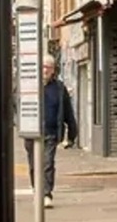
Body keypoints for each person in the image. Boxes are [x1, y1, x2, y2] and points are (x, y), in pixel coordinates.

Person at [23, 54, 77, 208]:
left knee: (47, 163)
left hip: (50, 133)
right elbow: (15, 103)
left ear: (53, 70)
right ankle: (37, 191)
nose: (45, 70)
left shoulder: (59, 88)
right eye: (43, 66)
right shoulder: (29, 85)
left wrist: (72, 134)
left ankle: (46, 194)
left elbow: (68, 112)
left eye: (48, 67)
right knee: (34, 165)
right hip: (31, 132)